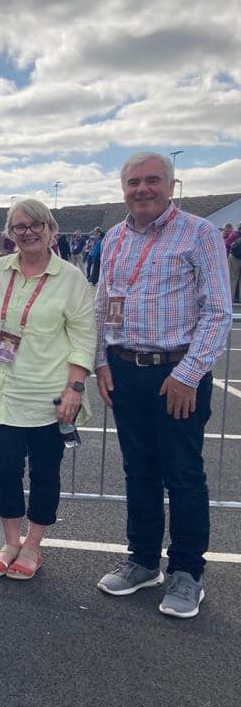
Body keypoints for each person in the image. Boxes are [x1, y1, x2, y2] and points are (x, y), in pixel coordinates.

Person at [94, 151, 230, 618]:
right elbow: (102, 304)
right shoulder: (113, 237)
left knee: (184, 475)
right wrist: (101, 363)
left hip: (177, 374)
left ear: (171, 185)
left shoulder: (200, 233)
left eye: (152, 180)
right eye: (133, 182)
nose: (142, 189)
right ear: (123, 188)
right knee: (139, 472)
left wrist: (188, 374)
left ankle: (187, 573)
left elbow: (217, 312)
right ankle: (143, 561)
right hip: (125, 368)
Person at [0, 199, 96, 580]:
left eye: (35, 225)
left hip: (49, 395)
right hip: (3, 391)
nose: (27, 232)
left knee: (45, 474)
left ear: (50, 229)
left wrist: (75, 388)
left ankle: (33, 545)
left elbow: (83, 335)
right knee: (6, 471)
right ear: (9, 233)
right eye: (19, 226)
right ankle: (10, 541)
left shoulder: (70, 277)